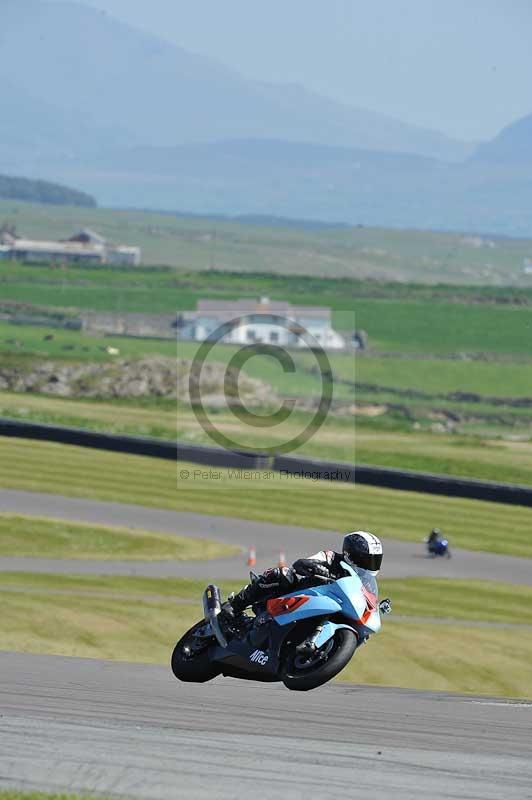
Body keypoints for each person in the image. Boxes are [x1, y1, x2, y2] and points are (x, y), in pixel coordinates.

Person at [221, 530, 390, 622]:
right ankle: (235, 604)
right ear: (351, 554)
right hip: (298, 595)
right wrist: (321, 570)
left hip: (329, 608)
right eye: (367, 559)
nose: (370, 564)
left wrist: (375, 609)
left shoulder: (365, 582)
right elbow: (300, 564)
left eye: (375, 560)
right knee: (283, 574)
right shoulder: (330, 557)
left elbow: (368, 600)